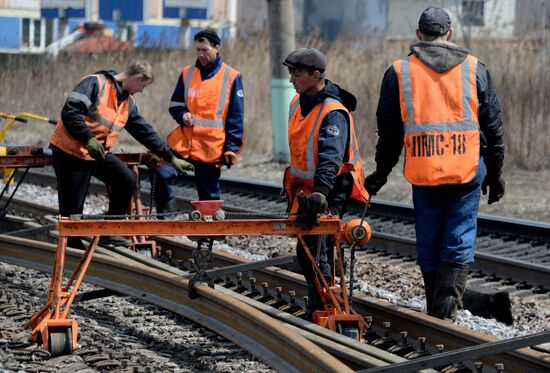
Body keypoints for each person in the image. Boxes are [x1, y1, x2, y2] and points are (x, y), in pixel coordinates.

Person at [365, 7, 505, 321]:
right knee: (459, 234)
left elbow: (389, 134)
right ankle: (445, 312)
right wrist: (496, 173)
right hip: (466, 170)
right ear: (450, 34)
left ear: (418, 35)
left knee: (428, 237)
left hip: (424, 170)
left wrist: (381, 173)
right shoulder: (474, 68)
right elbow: (493, 127)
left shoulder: (399, 72)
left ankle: (436, 310)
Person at [50, 61, 192, 249]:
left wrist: (171, 157)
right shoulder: (95, 84)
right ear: (137, 78)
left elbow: (145, 132)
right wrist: (88, 138)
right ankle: (72, 246)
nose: (141, 91)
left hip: (96, 153)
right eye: (143, 86)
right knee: (73, 209)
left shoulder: (127, 102)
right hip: (70, 152)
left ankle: (109, 230)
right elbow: (70, 112)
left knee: (125, 179)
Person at [282, 48, 370, 318]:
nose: (291, 79)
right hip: (307, 192)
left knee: (318, 250)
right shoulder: (297, 104)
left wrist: (321, 193)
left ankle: (325, 309)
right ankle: (319, 305)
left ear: (316, 75)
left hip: (329, 190)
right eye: (290, 72)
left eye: (297, 73)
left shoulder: (333, 112)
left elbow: (330, 158)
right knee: (307, 250)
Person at [152, 28, 244, 213]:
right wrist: (182, 114)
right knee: (161, 172)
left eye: (205, 50)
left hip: (211, 148)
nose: (201, 54)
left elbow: (236, 117)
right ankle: (166, 214)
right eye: (198, 50)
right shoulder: (187, 73)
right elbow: (175, 104)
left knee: (209, 198)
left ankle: (208, 237)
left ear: (216, 47)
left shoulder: (232, 77)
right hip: (184, 143)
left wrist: (231, 148)